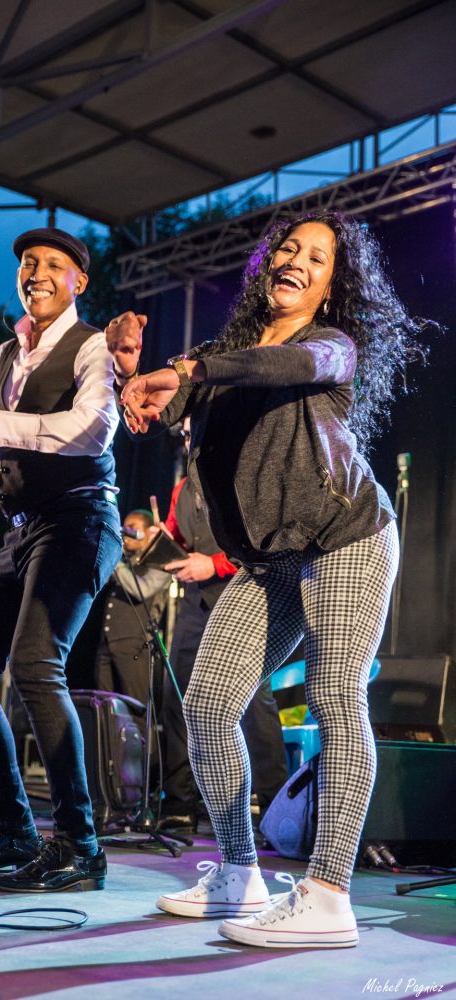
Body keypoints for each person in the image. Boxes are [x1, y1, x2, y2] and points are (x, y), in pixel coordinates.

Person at [107, 211, 426, 947]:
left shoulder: (330, 345)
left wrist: (188, 371)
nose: (296, 261)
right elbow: (165, 396)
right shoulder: (221, 357)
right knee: (208, 704)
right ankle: (238, 872)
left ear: (331, 285)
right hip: (271, 557)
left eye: (316, 258)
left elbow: (273, 368)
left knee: (334, 693)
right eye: (288, 248)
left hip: (345, 537)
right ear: (265, 265)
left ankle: (328, 895)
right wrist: (130, 374)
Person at [0, 228, 122, 892]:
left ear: (78, 281)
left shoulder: (92, 345)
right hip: (22, 530)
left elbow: (92, 429)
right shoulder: (6, 354)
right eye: (28, 263)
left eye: (52, 264)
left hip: (81, 519)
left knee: (35, 665)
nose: (36, 272)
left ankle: (80, 845)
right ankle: (15, 831)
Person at [157, 417, 288, 835]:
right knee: (176, 696)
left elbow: (260, 542)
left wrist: (211, 564)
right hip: (196, 605)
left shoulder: (240, 476)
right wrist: (159, 544)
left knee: (255, 703)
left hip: (241, 594)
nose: (189, 439)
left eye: (195, 431)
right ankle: (179, 806)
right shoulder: (182, 489)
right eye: (185, 434)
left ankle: (275, 808)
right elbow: (179, 539)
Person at [94, 508, 170, 704]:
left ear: (147, 533)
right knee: (104, 708)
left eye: (132, 528)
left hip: (135, 646)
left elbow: (142, 589)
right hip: (107, 643)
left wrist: (115, 561)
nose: (125, 534)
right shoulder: (126, 562)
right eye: (124, 528)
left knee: (136, 706)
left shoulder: (159, 562)